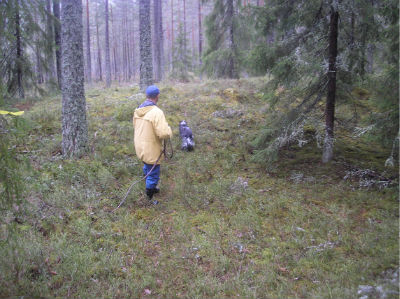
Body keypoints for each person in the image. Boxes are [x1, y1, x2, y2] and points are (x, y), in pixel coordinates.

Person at [133, 85, 172, 204]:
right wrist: (169, 131)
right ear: (157, 96)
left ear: (147, 96)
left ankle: (151, 187)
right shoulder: (156, 112)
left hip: (139, 145)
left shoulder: (138, 110)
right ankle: (149, 198)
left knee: (147, 165)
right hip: (150, 147)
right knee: (153, 171)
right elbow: (164, 133)